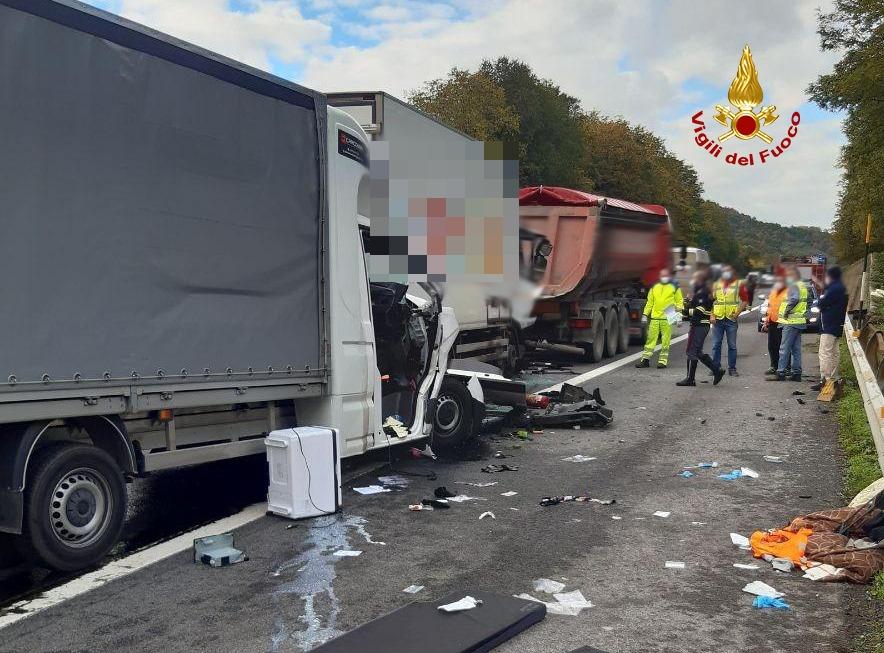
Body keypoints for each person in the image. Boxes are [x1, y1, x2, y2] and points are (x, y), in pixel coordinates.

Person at [676, 270, 726, 386]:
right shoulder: (703, 292)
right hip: (702, 325)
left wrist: (683, 311)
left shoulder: (703, 293)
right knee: (697, 352)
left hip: (698, 325)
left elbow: (700, 310)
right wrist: (688, 301)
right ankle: (717, 370)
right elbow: (698, 306)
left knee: (691, 351)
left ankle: (690, 379)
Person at [635, 268, 684, 369]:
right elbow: (650, 302)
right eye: (662, 276)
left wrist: (679, 317)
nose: (664, 278)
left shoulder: (674, 287)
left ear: (669, 276)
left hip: (668, 316)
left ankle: (662, 361)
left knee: (666, 340)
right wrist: (645, 315)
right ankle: (645, 360)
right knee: (650, 339)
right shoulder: (654, 287)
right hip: (655, 317)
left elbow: (679, 302)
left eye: (666, 275)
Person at [811, 265, 848, 392]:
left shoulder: (834, 289)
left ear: (831, 276)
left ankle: (825, 380)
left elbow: (822, 303)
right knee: (834, 353)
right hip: (837, 325)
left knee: (825, 353)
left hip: (829, 326)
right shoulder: (840, 287)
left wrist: (821, 303)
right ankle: (834, 378)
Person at [770, 266, 808, 381]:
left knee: (784, 348)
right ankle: (797, 373)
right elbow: (809, 301)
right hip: (799, 321)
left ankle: (780, 372)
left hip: (790, 321)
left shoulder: (793, 285)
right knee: (796, 349)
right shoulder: (802, 285)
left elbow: (794, 299)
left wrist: (786, 312)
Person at [710, 265, 749, 376]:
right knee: (716, 344)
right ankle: (715, 368)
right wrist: (711, 315)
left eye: (729, 271)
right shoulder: (716, 285)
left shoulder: (738, 284)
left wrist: (737, 314)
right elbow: (711, 302)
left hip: (731, 319)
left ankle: (732, 368)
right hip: (718, 319)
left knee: (732, 345)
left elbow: (745, 300)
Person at [761, 275, 788, 375]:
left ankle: (785, 367)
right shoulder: (773, 292)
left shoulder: (787, 292)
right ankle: (774, 366)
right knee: (772, 346)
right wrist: (766, 322)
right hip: (772, 321)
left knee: (783, 346)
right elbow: (770, 308)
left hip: (783, 322)